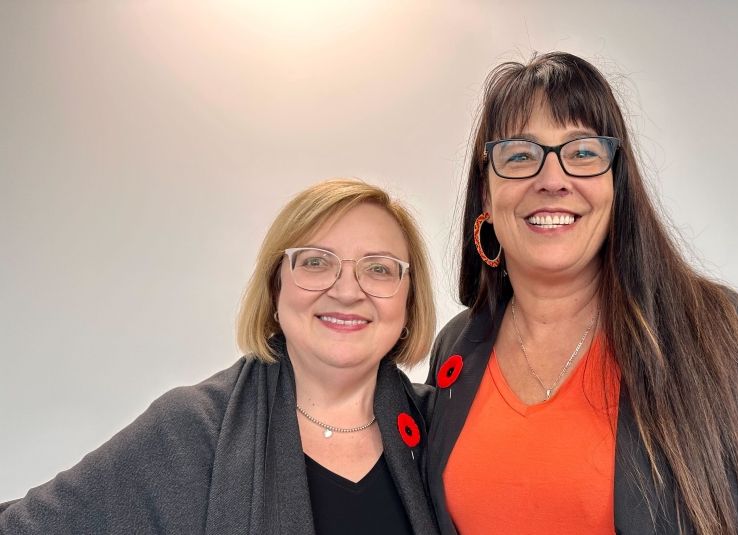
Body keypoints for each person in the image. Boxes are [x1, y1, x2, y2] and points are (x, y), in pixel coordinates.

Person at [425, 52, 738, 535]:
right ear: (486, 195)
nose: (552, 180)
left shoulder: (728, 336)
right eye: (519, 156)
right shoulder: (457, 348)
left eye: (582, 153)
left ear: (617, 185)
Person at [0, 179, 439, 534]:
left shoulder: (443, 429)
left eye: (379, 268)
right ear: (275, 289)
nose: (346, 290)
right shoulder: (192, 427)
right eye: (315, 263)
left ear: (408, 301)